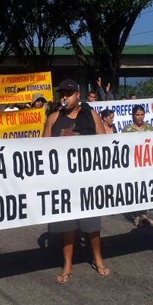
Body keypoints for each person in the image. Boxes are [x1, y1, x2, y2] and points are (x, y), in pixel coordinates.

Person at [42, 79, 109, 284]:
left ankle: (97, 258)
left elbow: (104, 143)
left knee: (92, 225)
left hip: (87, 181)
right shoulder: (53, 118)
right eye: (61, 94)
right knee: (66, 226)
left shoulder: (91, 115)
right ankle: (67, 264)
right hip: (62, 182)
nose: (64, 97)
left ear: (77, 95)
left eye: (68, 94)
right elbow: (42, 149)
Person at [122, 105, 153, 226]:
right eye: (137, 115)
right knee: (136, 190)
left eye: (142, 114)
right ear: (133, 116)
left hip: (146, 164)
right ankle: (136, 216)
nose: (140, 117)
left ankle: (144, 214)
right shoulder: (127, 130)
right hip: (133, 165)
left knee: (145, 189)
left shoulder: (149, 128)